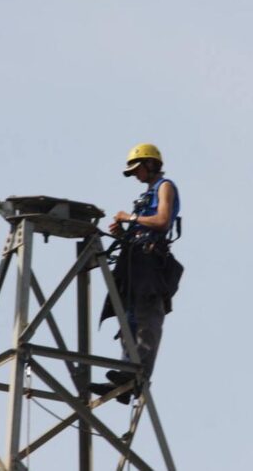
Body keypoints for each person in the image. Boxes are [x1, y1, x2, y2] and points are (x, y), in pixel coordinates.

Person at [90, 143, 183, 404]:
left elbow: (163, 220)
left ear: (151, 164)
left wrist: (130, 218)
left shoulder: (165, 186)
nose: (136, 175)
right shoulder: (145, 196)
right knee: (128, 319)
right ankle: (125, 374)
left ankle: (137, 375)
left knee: (145, 319)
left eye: (137, 169)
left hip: (152, 262)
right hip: (136, 260)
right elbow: (143, 224)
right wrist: (125, 232)